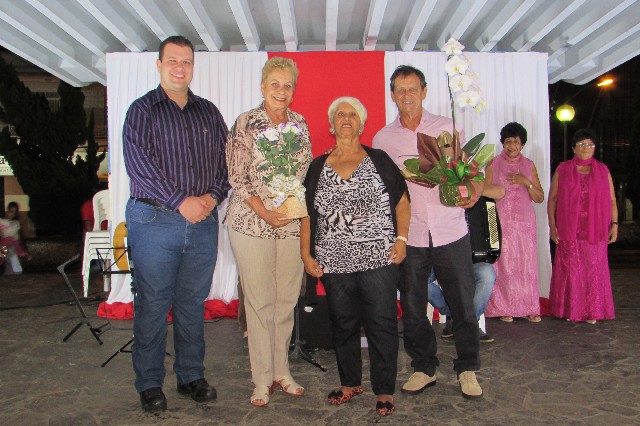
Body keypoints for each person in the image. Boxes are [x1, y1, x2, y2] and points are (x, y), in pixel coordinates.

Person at [122, 35, 229, 413]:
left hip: (202, 223)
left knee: (190, 304)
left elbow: (225, 165)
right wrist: (181, 202)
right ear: (159, 65)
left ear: (193, 65)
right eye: (172, 61)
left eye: (186, 61)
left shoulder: (209, 113)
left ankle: (190, 376)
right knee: (152, 304)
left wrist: (213, 198)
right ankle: (150, 383)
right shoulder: (141, 111)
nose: (179, 68)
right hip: (153, 221)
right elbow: (139, 165)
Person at [373, 65, 483, 400]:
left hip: (450, 230)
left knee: (462, 303)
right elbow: (382, 189)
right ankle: (424, 366)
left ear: (424, 91)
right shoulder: (383, 139)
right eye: (400, 90)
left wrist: (473, 193)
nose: (406, 96)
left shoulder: (445, 127)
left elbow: (470, 169)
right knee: (412, 303)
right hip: (411, 235)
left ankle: (467, 368)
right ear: (392, 95)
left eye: (412, 89)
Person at [301, 97, 410, 417]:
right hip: (334, 261)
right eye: (339, 114)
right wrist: (305, 253)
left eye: (352, 115)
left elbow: (402, 201)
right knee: (343, 323)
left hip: (378, 257)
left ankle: (385, 389)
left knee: (381, 323)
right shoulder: (317, 166)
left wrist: (401, 239)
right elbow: (307, 214)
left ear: (361, 124)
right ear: (331, 124)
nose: (346, 118)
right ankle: (350, 383)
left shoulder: (379, 160)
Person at [225, 57, 312, 407]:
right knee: (259, 302)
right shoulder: (246, 122)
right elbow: (237, 176)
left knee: (286, 301)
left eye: (287, 84)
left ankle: (282, 371)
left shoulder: (301, 123)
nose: (281, 90)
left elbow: (303, 174)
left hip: (290, 224)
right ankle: (261, 379)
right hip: (251, 223)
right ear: (263, 87)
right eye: (274, 83)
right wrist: (266, 212)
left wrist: (288, 211)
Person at [548, 129, 617, 324]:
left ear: (594, 149)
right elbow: (552, 200)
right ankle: (571, 310)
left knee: (594, 270)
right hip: (569, 228)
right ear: (573, 148)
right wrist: (552, 225)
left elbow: (612, 200)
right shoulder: (563, 169)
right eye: (581, 144)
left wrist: (615, 224)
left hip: (596, 229)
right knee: (571, 270)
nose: (585, 148)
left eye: (589, 145)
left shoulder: (603, 170)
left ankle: (592, 312)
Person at [483, 122, 545, 323]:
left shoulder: (529, 165)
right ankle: (503, 307)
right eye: (508, 141)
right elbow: (485, 194)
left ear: (522, 144)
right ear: (503, 143)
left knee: (526, 263)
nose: (511, 146)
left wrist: (525, 182)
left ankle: (528, 307)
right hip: (500, 220)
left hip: (524, 222)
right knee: (503, 264)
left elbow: (539, 197)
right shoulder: (493, 164)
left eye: (516, 142)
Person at [429, 262, 496, 343]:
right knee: (418, 279)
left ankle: (470, 321)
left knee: (487, 274)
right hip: (441, 260)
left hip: (473, 261)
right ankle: (455, 315)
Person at [0, 202, 31, 274]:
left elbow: (18, 240)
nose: (11, 214)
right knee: (10, 257)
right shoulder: (2, 222)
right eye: (10, 211)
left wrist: (25, 253)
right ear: (7, 210)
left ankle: (15, 278)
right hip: (3, 246)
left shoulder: (16, 224)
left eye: (14, 212)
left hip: (11, 247)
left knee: (13, 258)